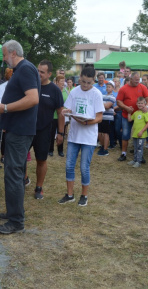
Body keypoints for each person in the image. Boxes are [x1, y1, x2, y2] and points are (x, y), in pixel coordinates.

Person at [0, 40, 40, 234]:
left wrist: (4, 107)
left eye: (5, 55)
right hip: (16, 130)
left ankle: (16, 221)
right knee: (13, 174)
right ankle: (14, 212)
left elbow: (33, 99)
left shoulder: (25, 69)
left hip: (19, 131)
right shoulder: (22, 70)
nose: (4, 59)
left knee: (14, 175)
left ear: (13, 53)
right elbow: (5, 107)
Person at [58, 64, 104, 207]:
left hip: (89, 137)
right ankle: (70, 194)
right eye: (83, 81)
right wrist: (66, 112)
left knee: (84, 167)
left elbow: (99, 117)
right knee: (69, 165)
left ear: (93, 81)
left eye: (88, 83)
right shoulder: (75, 91)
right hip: (74, 135)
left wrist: (87, 122)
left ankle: (84, 195)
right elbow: (69, 108)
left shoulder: (96, 94)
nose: (85, 85)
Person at [30, 59, 64, 199]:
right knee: (21, 159)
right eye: (37, 70)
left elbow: (61, 113)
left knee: (41, 160)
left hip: (44, 130)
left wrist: (61, 133)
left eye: (42, 72)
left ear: (49, 74)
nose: (38, 74)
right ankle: (23, 180)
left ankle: (39, 187)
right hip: (26, 128)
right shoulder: (31, 85)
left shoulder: (55, 90)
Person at [116, 72, 148, 161]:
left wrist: (146, 107)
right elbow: (119, 101)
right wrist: (126, 108)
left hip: (140, 117)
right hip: (126, 115)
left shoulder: (142, 87)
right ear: (130, 79)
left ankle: (139, 154)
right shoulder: (123, 89)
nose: (137, 82)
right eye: (135, 80)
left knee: (139, 135)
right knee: (125, 134)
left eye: (138, 80)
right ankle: (123, 153)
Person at [127, 97, 148, 168]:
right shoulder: (136, 113)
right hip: (135, 134)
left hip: (141, 135)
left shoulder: (145, 113)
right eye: (139, 103)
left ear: (145, 104)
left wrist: (142, 131)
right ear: (136, 104)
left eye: (142, 103)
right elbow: (130, 120)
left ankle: (138, 161)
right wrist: (129, 113)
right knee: (136, 147)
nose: (140, 104)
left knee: (140, 148)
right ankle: (134, 160)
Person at [49, 74, 67, 157]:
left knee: (61, 133)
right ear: (56, 82)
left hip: (62, 116)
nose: (63, 83)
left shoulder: (66, 91)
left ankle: (60, 150)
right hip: (53, 116)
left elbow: (67, 103)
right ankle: (50, 150)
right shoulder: (53, 91)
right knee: (51, 134)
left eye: (64, 81)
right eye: (61, 81)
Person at [97, 81, 116, 156]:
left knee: (105, 133)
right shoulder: (102, 96)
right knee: (99, 132)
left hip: (108, 117)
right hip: (101, 116)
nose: (108, 88)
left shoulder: (112, 97)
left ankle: (105, 149)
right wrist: (103, 104)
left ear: (112, 88)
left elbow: (107, 106)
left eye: (109, 87)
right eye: (107, 87)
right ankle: (102, 146)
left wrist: (101, 104)